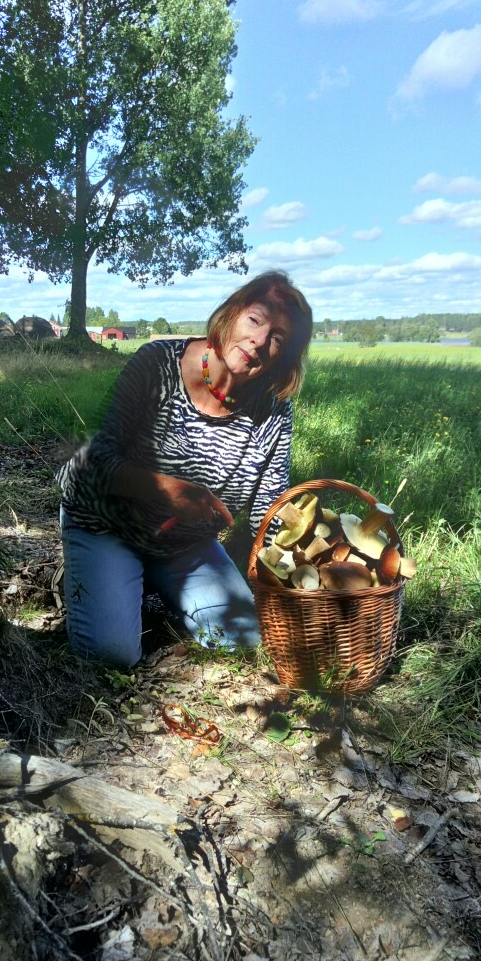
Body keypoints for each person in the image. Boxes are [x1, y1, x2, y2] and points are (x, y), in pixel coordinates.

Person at [58, 270, 313, 668]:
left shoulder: (274, 410)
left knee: (243, 635)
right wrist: (164, 491)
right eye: (256, 320)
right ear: (232, 315)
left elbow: (270, 506)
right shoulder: (156, 364)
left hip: (185, 544)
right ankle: (94, 572)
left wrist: (304, 565)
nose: (260, 341)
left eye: (278, 339)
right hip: (105, 522)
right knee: (111, 656)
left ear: (286, 358)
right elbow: (94, 463)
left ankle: (142, 583)